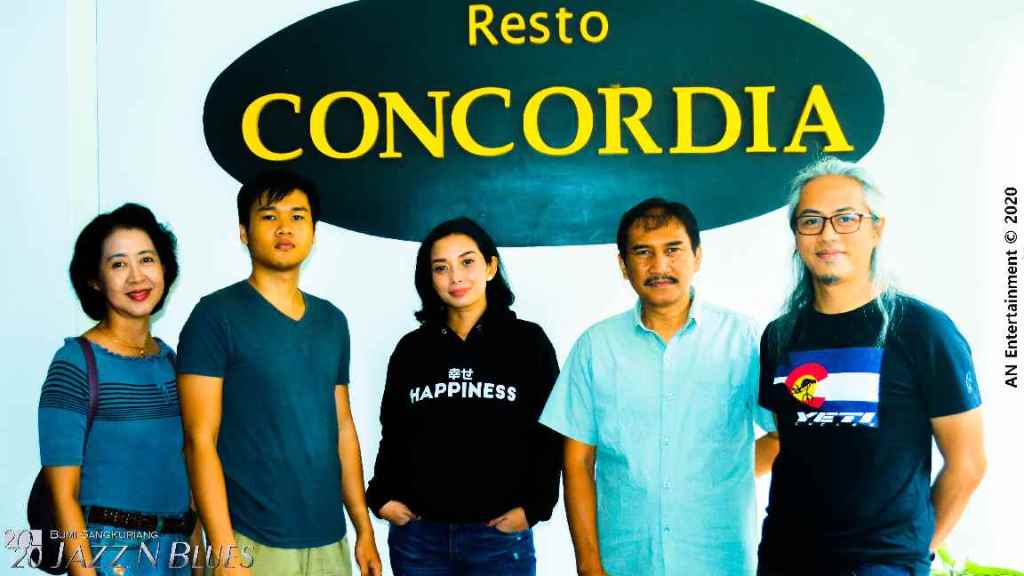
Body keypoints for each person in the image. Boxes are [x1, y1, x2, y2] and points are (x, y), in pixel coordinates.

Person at [756, 157, 986, 576]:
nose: (828, 234)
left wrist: (911, 554)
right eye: (811, 221)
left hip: (881, 565)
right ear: (796, 236)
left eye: (846, 219)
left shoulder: (923, 330)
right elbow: (788, 442)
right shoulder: (780, 336)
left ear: (876, 229)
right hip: (785, 558)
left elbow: (968, 463)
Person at [539, 198, 779, 576]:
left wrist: (722, 475)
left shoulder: (744, 340)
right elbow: (578, 462)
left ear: (698, 256)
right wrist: (588, 565)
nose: (659, 266)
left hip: (720, 559)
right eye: (643, 252)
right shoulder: (596, 347)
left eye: (673, 250)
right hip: (625, 560)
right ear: (624, 265)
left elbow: (784, 435)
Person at [176, 171, 382, 576]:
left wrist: (363, 528)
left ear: (314, 232)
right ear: (244, 232)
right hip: (251, 541)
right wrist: (225, 552)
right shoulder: (215, 316)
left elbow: (342, 427)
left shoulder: (332, 321)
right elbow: (199, 441)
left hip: (329, 540)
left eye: (298, 216)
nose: (285, 227)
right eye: (269, 216)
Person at [364, 217, 562, 576]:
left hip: (498, 541)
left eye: (467, 262)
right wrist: (380, 497)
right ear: (429, 278)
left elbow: (550, 434)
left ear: (490, 267)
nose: (455, 277)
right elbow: (393, 431)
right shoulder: (413, 349)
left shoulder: (527, 343)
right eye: (441, 268)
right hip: (419, 541)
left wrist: (536, 507)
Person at [39, 203, 199, 575]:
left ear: (164, 268)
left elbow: (186, 468)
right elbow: (63, 495)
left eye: (147, 259)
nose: (136, 277)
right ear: (94, 280)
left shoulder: (170, 361)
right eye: (118, 264)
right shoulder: (75, 363)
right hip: (112, 554)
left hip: (175, 554)